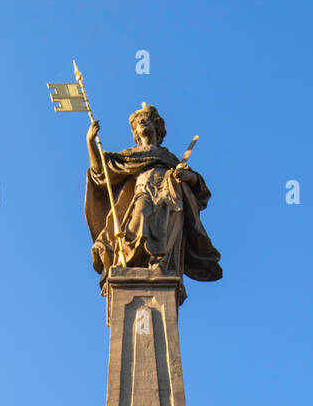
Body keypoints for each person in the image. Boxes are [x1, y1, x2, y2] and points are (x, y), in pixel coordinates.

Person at [84, 104, 222, 300]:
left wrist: (186, 176)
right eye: (139, 121)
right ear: (135, 132)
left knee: (166, 231)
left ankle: (160, 265)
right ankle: (129, 265)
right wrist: (90, 142)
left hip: (169, 197)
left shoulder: (168, 157)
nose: (142, 122)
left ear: (157, 127)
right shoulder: (129, 156)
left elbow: (198, 187)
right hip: (143, 193)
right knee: (137, 221)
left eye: (146, 119)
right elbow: (100, 172)